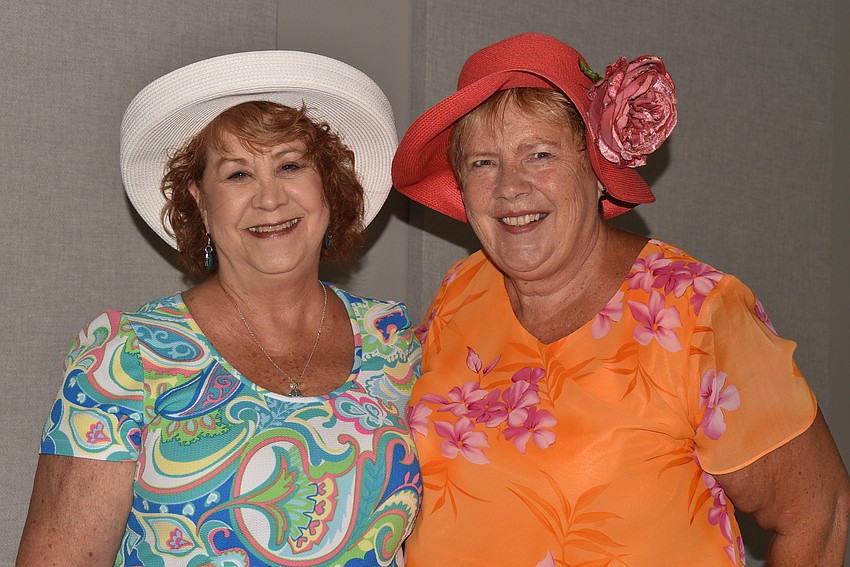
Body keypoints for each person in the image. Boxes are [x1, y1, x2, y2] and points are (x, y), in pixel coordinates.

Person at [391, 32, 850, 566]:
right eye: (482, 162)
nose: (509, 187)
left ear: (596, 170)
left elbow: (818, 513)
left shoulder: (696, 312)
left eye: (539, 154)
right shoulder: (460, 291)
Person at [17, 51, 421, 566]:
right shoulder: (126, 359)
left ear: (329, 187)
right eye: (237, 175)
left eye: (290, 166)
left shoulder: (396, 344)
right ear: (200, 202)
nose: (270, 199)